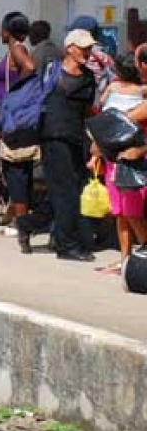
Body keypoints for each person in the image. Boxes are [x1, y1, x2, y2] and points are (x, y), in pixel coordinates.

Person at [39, 30, 97, 261]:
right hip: (53, 136)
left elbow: (89, 112)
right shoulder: (51, 71)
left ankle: (34, 227)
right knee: (65, 192)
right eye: (83, 48)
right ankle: (66, 245)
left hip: (76, 139)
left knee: (68, 191)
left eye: (90, 48)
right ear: (70, 48)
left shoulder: (88, 78)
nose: (88, 52)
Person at [93, 53, 147, 271]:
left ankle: (143, 257)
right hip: (115, 157)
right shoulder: (123, 90)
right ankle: (125, 260)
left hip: (135, 159)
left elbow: (127, 117)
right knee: (120, 212)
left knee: (133, 213)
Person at [0, 12, 35, 107]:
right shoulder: (14, 50)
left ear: (7, 31)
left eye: (1, 29)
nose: (0, 33)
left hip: (12, 109)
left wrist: (15, 90)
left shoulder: (17, 48)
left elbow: (30, 67)